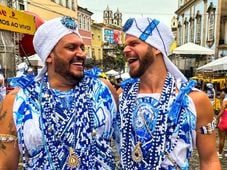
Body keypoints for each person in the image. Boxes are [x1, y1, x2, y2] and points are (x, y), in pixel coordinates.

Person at [0, 16, 118, 169]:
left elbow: (128, 145)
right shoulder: (17, 101)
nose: (81, 54)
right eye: (71, 48)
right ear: (49, 55)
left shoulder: (104, 90)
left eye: (82, 47)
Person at [117, 17, 221, 169]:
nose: (125, 50)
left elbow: (210, 160)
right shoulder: (121, 97)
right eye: (126, 45)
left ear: (156, 47)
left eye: (134, 43)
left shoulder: (194, 100)